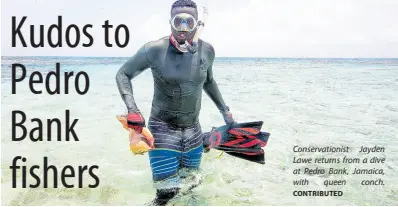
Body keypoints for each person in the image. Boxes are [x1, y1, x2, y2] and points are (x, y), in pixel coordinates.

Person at [115, 0, 235, 205]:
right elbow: (123, 74)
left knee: (192, 188)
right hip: (162, 130)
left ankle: (205, 140)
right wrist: (132, 109)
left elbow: (209, 81)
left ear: (197, 24)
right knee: (165, 195)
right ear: (170, 22)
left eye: (189, 22)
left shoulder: (207, 51)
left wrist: (225, 110)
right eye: (177, 21)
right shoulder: (154, 50)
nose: (183, 28)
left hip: (193, 131)